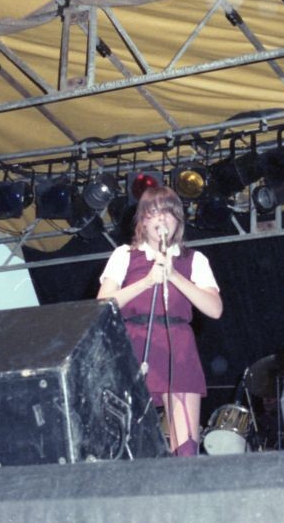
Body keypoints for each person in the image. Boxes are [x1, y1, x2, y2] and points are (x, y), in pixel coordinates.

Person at [97, 186, 223, 456]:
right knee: (126, 438)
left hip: (177, 346)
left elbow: (214, 309)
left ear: (178, 220)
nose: (161, 219)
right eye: (153, 213)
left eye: (168, 213)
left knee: (186, 443)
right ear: (142, 221)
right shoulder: (125, 255)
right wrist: (147, 282)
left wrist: (175, 276)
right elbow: (102, 306)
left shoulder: (194, 260)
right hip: (133, 343)